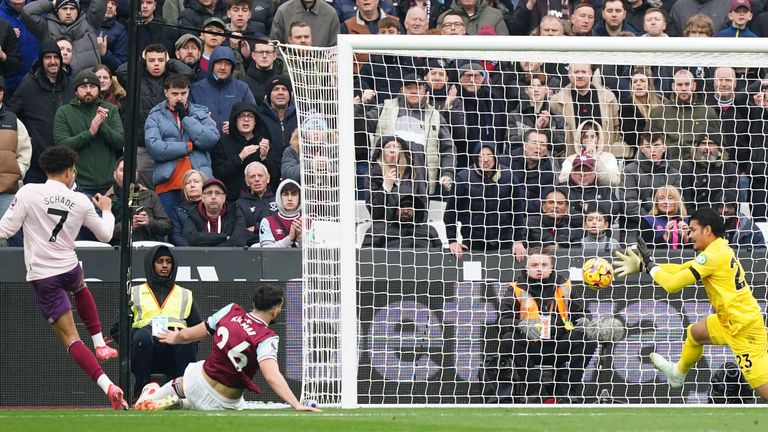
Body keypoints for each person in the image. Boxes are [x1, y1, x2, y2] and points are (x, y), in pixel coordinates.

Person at [0, 145, 127, 410]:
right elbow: (106, 234)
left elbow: (5, 230)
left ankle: (108, 386)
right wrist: (107, 209)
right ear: (69, 171)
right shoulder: (80, 199)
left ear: (46, 170)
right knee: (79, 286)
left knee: (71, 339)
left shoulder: (29, 192)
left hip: (43, 275)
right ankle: (101, 344)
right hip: (69, 267)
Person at [614, 207, 768, 402]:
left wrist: (651, 266)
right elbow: (679, 269)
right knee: (695, 333)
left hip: (744, 331)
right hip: (729, 322)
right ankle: (677, 374)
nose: (690, 234)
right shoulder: (718, 248)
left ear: (707, 230)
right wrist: (644, 267)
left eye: (693, 229)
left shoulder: (712, 256)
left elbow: (672, 284)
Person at [133, 283, 320, 411]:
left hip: (195, 381)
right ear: (276, 310)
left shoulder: (230, 310)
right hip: (224, 402)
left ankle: (154, 395)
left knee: (182, 385)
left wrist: (175, 337)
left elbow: (190, 334)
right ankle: (177, 402)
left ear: (254, 303)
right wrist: (296, 404)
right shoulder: (267, 337)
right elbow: (271, 377)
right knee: (240, 405)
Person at [498, 248, 598, 403]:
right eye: (535, 264)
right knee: (509, 338)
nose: (539, 268)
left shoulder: (564, 285)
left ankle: (567, 392)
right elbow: (502, 320)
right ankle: (534, 391)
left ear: (551, 267)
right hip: (532, 345)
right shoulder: (516, 288)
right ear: (527, 267)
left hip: (559, 343)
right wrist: (521, 325)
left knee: (588, 337)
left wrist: (586, 319)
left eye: (544, 264)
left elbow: (583, 313)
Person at [127, 245, 200, 397]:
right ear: (151, 264)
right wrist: (138, 335)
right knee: (142, 337)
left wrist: (181, 336)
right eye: (160, 261)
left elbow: (197, 328)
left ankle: (184, 394)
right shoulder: (135, 292)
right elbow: (117, 329)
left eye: (168, 261)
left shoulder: (185, 294)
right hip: (144, 350)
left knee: (187, 340)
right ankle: (140, 393)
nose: (165, 265)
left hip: (175, 351)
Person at [145, 73, 219, 217]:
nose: (179, 97)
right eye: (174, 93)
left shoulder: (200, 112)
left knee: (200, 229)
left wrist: (185, 118)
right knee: (167, 229)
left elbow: (212, 138)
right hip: (168, 183)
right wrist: (189, 147)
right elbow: (154, 147)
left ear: (189, 92)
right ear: (166, 93)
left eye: (183, 93)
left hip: (199, 183)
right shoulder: (155, 115)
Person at [444, 142, 525, 261]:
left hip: (504, 243)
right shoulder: (463, 178)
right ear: (476, 158)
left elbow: (517, 212)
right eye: (481, 156)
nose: (485, 159)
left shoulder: (509, 177)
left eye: (489, 155)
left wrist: (518, 240)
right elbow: (450, 213)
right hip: (473, 244)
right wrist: (452, 241)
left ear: (496, 157)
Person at [7, 41, 73, 184]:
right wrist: (23, 136)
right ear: (41, 60)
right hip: (36, 164)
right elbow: (9, 114)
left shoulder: (71, 85)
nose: (52, 61)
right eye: (48, 57)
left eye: (56, 57)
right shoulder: (28, 85)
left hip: (65, 163)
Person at [53, 70, 124, 197]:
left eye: (92, 86)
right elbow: (61, 146)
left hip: (109, 184)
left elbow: (120, 142)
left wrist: (102, 127)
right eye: (83, 86)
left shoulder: (111, 109)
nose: (88, 90)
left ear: (98, 90)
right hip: (79, 185)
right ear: (76, 90)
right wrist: (89, 133)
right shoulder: (64, 112)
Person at [22, 0, 107, 73]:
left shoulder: (90, 21)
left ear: (78, 10)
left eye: (72, 8)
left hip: (87, 84)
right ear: (56, 10)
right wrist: (51, 4)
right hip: (58, 84)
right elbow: (27, 12)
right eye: (64, 8)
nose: (68, 12)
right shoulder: (46, 27)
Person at [211, 102, 272, 202]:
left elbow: (273, 176)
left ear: (255, 121)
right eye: (241, 116)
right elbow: (218, 173)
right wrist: (239, 157)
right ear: (235, 120)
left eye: (250, 116)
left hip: (260, 201)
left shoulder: (263, 142)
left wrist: (264, 157)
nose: (246, 119)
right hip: (232, 201)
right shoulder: (223, 143)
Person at [190, 46, 256, 133]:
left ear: (232, 67)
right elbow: (188, 120)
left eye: (228, 63)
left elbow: (254, 116)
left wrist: (235, 126)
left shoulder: (242, 89)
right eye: (219, 63)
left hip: (234, 143)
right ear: (212, 65)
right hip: (205, 143)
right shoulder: (196, 89)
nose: (223, 67)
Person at [106, 157, 171, 244]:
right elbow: (102, 232)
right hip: (118, 250)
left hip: (146, 248)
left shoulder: (150, 195)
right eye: (122, 170)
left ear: (136, 174)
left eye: (130, 170)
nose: (127, 173)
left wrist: (149, 222)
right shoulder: (106, 199)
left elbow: (166, 226)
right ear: (114, 175)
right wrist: (128, 226)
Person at [182, 178, 249, 247]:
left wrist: (213, 250)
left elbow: (239, 240)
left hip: (229, 256)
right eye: (209, 193)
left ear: (224, 198)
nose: (213, 197)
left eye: (217, 193)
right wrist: (224, 237)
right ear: (202, 197)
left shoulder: (235, 212)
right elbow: (191, 238)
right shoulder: (194, 214)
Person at [236, 162, 275, 246]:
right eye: (252, 176)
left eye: (260, 175)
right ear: (247, 181)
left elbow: (281, 228)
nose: (257, 179)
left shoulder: (279, 200)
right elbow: (241, 234)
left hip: (279, 248)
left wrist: (255, 227)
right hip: (250, 250)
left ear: (268, 178)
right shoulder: (239, 205)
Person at [270, 0, 339, 46]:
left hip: (322, 64)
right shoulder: (283, 11)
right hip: (288, 64)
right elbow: (275, 45)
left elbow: (335, 47)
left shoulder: (330, 13)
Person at [259, 179, 305, 248]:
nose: (290, 198)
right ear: (279, 197)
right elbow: (266, 252)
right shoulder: (267, 222)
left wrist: (301, 238)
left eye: (294, 194)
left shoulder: (309, 222)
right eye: (285, 194)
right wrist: (289, 238)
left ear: (300, 198)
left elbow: (313, 254)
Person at [168, 169, 206, 246]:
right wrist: (192, 250)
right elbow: (175, 236)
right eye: (188, 183)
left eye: (196, 181)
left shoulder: (212, 206)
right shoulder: (178, 211)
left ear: (204, 185)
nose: (192, 185)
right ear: (184, 188)